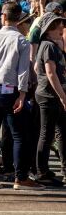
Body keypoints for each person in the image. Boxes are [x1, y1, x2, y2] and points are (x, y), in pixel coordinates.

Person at [0, 2, 43, 190]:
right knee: (19, 135)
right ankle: (21, 177)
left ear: (3, 17)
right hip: (9, 89)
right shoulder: (20, 40)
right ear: (19, 19)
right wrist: (22, 94)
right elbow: (23, 71)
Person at [33, 12, 66, 186]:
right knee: (47, 134)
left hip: (51, 95)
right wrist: (63, 97)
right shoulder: (48, 46)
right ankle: (42, 172)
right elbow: (50, 73)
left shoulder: (50, 45)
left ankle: (57, 170)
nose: (61, 28)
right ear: (48, 29)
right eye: (57, 25)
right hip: (49, 96)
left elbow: (38, 66)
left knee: (59, 132)